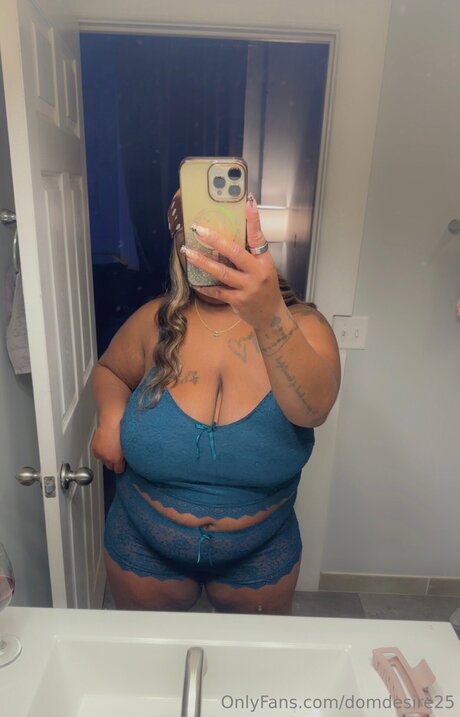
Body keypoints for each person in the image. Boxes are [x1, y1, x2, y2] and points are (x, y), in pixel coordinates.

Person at [91, 191, 340, 614]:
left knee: (251, 658)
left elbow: (313, 410)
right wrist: (111, 418)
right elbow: (111, 371)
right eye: (197, 240)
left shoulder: (303, 326)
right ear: (179, 246)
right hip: (142, 543)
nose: (213, 257)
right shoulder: (155, 321)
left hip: (262, 550)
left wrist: (268, 313)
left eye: (225, 239)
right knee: (148, 653)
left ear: (252, 242)